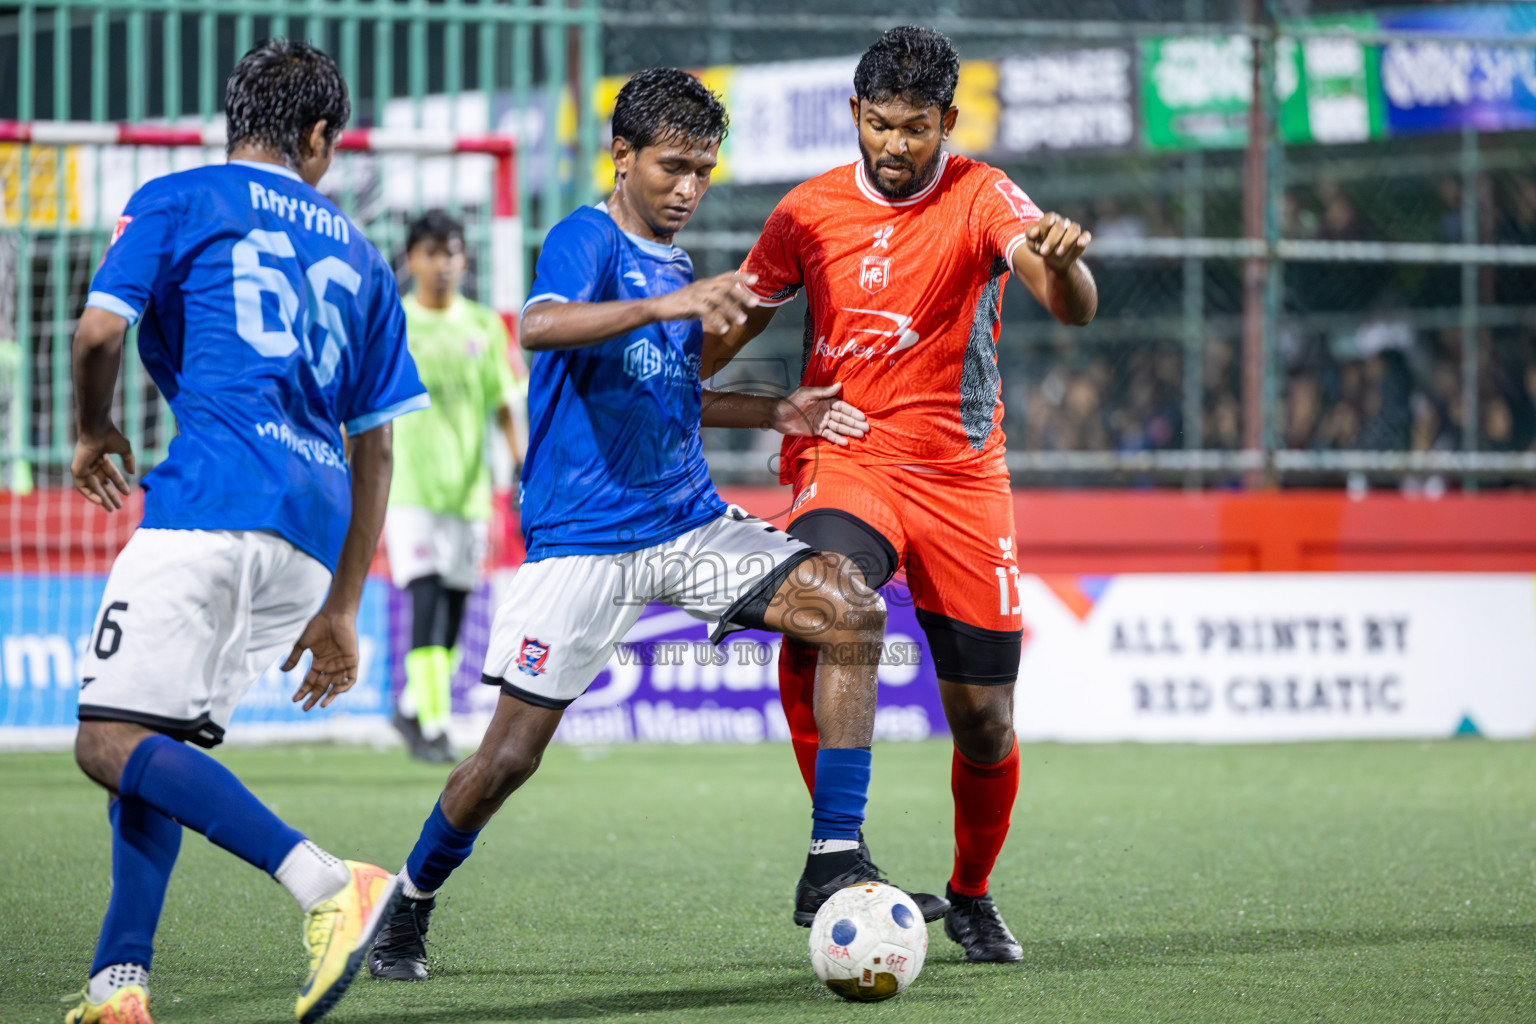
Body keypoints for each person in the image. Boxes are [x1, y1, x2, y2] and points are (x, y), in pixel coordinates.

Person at [368, 67, 943, 984]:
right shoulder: (586, 239)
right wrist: (666, 304)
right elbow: (542, 326)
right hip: (584, 541)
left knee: (851, 608)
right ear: (622, 155)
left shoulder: (677, 266)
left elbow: (671, 394)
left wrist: (774, 411)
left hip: (685, 522)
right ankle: (408, 900)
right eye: (672, 167)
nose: (688, 188)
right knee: (508, 758)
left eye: (704, 171)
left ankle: (834, 853)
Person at [707, 26, 1098, 963]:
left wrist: (1067, 258)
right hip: (852, 458)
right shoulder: (805, 213)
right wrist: (676, 380)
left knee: (985, 719)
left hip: (964, 478)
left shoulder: (982, 195)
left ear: (947, 123)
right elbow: (724, 336)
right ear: (854, 115)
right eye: (879, 125)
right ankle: (838, 853)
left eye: (916, 129)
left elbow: (1069, 303)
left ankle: (971, 894)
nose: (894, 146)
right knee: (829, 599)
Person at [65, 39, 427, 1024]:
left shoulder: (183, 196)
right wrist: (345, 605)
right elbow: (377, 452)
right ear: (317, 136)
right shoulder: (360, 253)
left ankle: (326, 882)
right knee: (153, 733)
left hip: (212, 501)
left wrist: (94, 429)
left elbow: (98, 330)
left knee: (105, 740)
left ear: (233, 119)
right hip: (311, 539)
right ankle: (117, 984)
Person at [386, 210, 526, 763]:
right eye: (432, 253)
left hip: (468, 493)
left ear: (464, 260)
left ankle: (410, 707)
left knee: (453, 605)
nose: (444, 265)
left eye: (453, 253)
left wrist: (521, 471)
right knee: (424, 597)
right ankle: (436, 726)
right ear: (412, 260)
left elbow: (505, 404)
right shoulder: (395, 323)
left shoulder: (483, 326)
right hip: (409, 490)